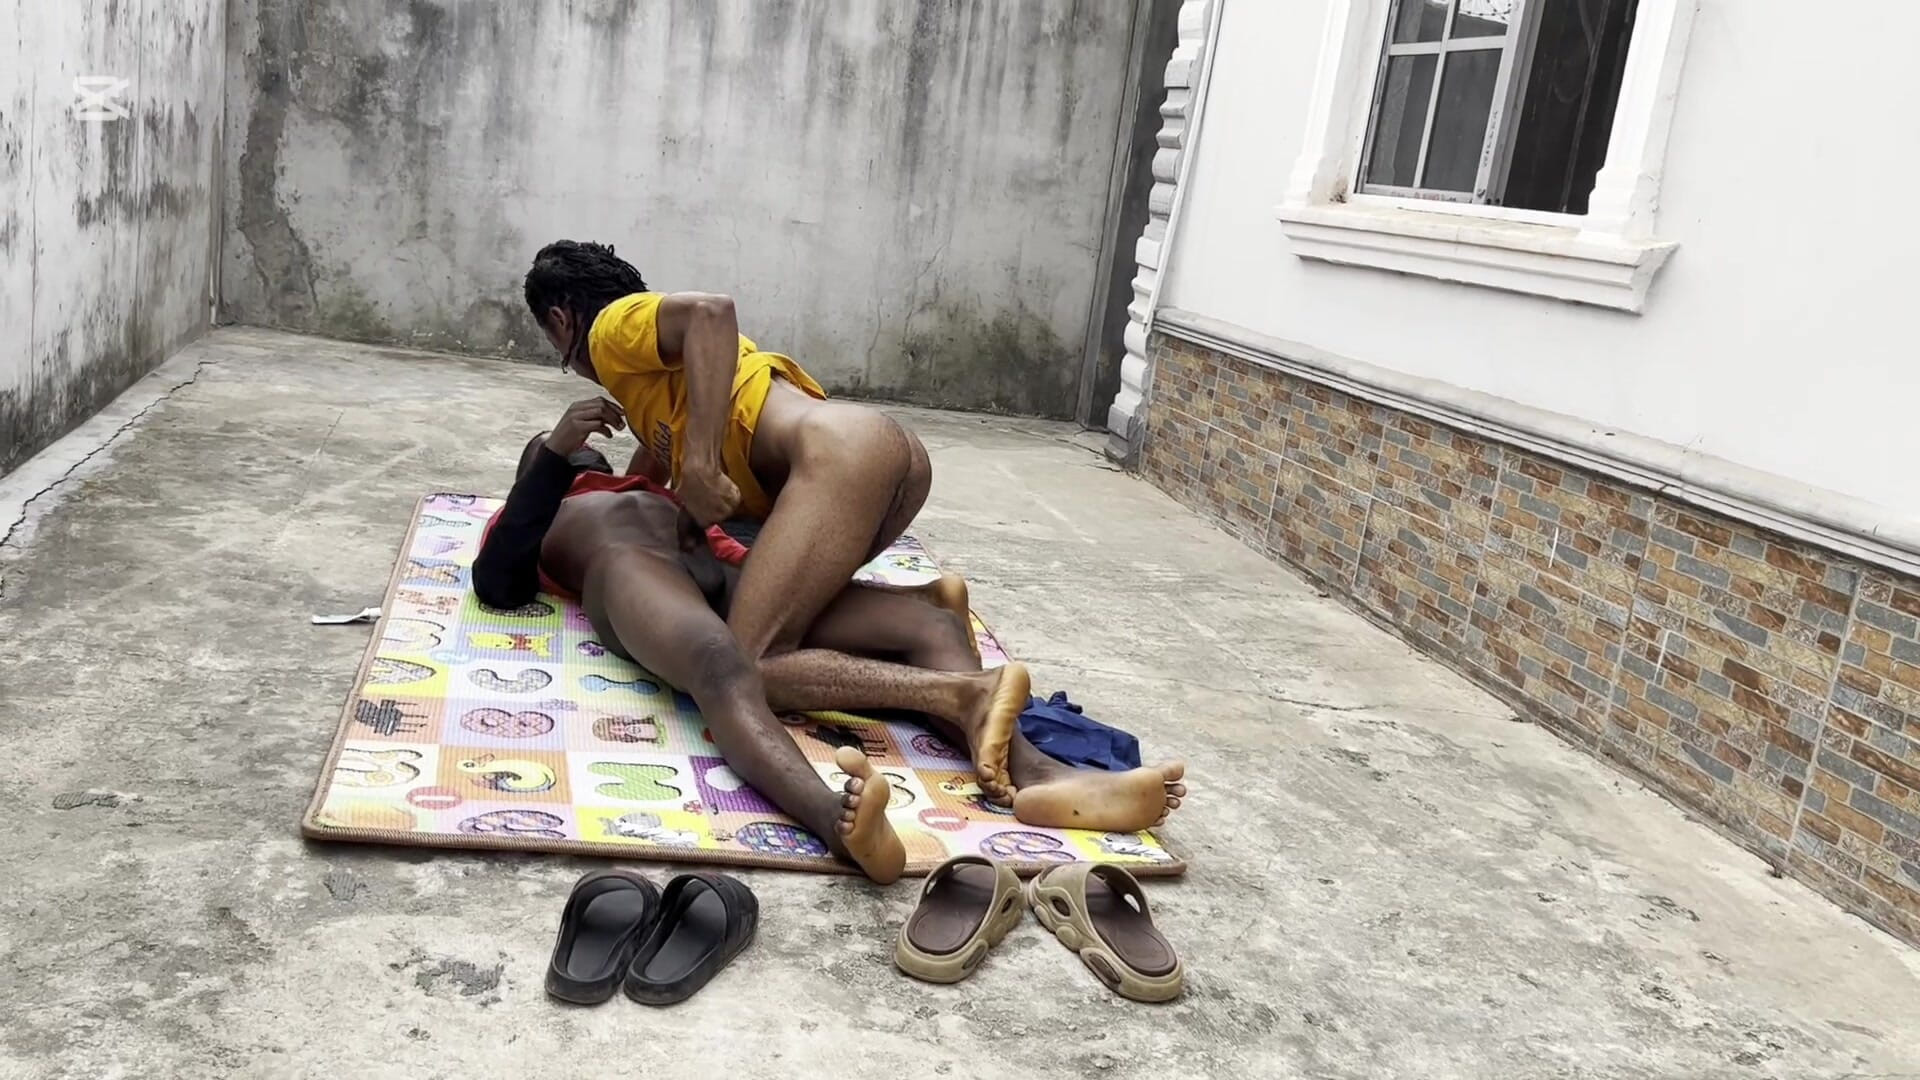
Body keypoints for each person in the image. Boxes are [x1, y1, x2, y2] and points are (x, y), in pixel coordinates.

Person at [472, 400, 1187, 882]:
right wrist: (552, 452)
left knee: (932, 623)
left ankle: (1036, 775)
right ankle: (838, 825)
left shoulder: (641, 482)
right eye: (561, 453)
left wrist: (677, 468)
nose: (583, 453)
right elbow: (497, 581)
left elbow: (740, 524)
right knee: (722, 665)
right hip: (632, 572)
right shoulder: (544, 509)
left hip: (720, 572)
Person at [519, 242, 1032, 797]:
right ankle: (1017, 749)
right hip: (878, 459)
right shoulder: (654, 387)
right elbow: (648, 479)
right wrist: (671, 491)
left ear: (561, 320)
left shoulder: (611, 328)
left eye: (558, 352)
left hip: (839, 458)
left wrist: (701, 463)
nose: (571, 364)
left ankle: (965, 692)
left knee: (747, 666)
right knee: (792, 618)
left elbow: (711, 312)